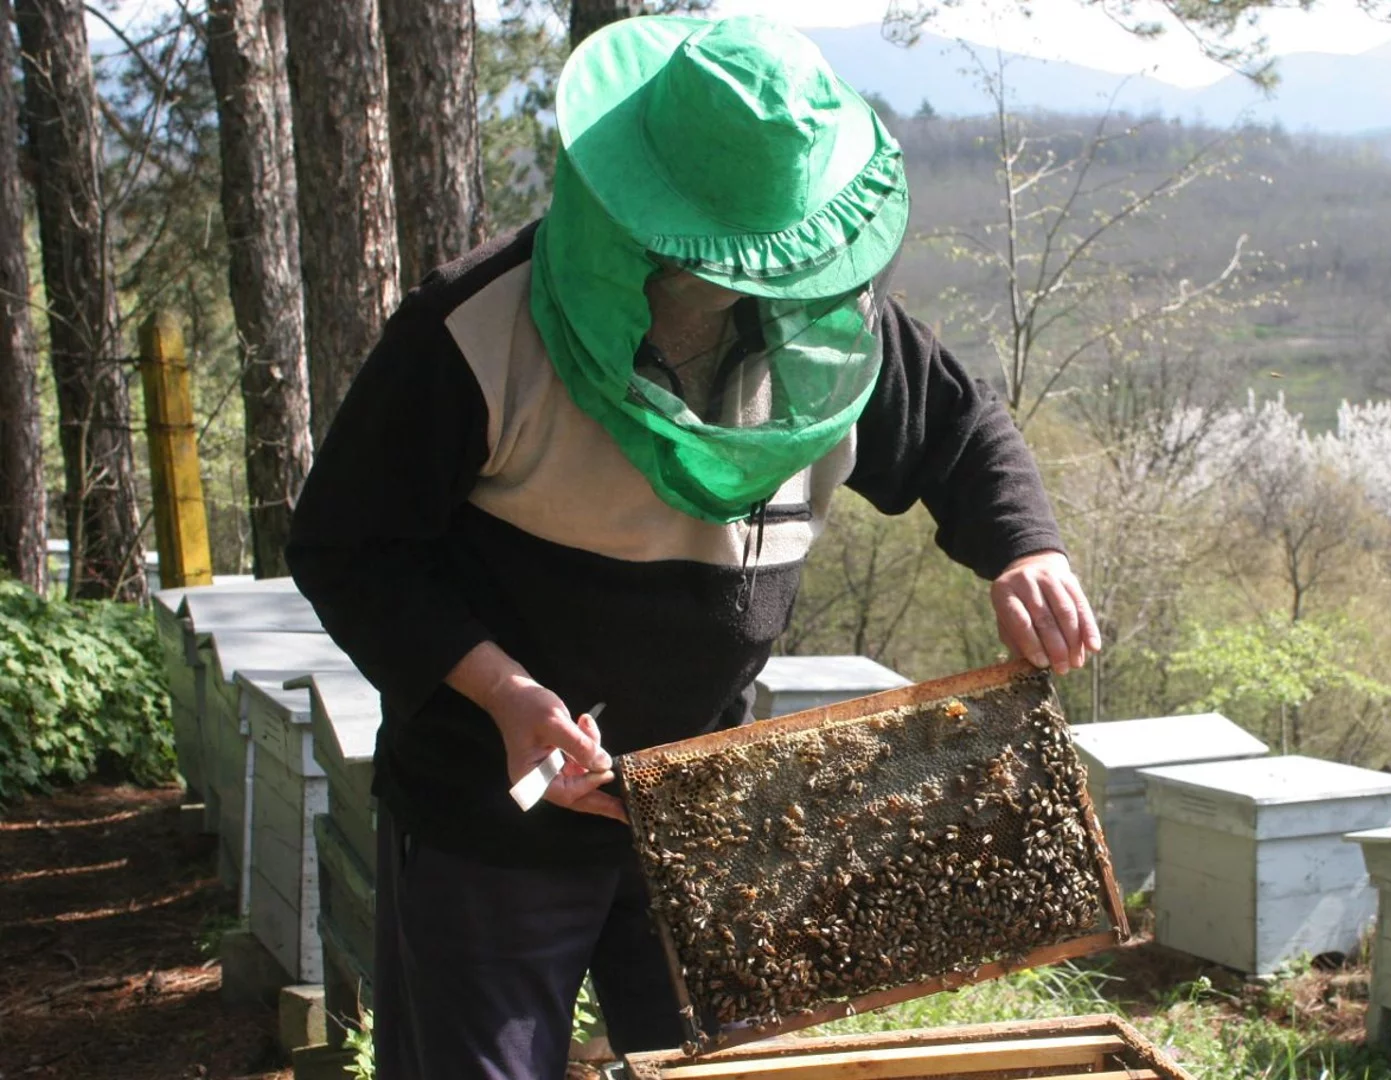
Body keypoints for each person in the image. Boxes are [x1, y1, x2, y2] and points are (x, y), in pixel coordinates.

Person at [285, 13, 1101, 1080]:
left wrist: (1025, 551)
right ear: (638, 217)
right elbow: (348, 547)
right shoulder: (472, 332)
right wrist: (503, 694)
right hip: (491, 810)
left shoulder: (832, 331)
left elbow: (958, 429)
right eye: (714, 258)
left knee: (708, 1071)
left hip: (705, 811)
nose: (746, 286)